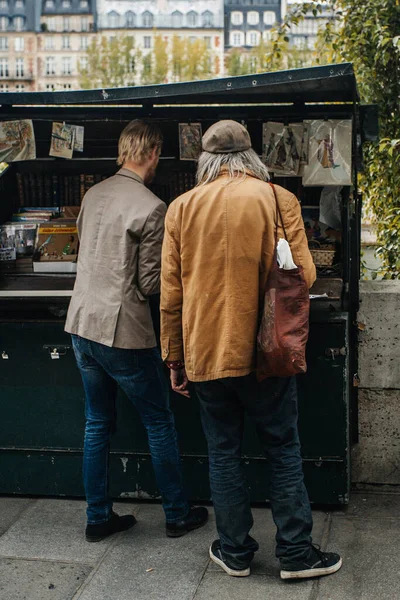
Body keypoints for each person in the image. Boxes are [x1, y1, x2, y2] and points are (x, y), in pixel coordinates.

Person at [160, 120, 342, 580]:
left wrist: (173, 357)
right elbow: (305, 275)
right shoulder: (278, 199)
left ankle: (236, 552)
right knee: (282, 448)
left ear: (207, 161)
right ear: (251, 158)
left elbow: (171, 296)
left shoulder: (180, 208)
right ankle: (297, 554)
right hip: (268, 352)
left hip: (205, 353)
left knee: (222, 452)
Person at [65, 120, 208, 543]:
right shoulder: (152, 206)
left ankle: (97, 518)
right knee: (159, 421)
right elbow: (149, 285)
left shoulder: (93, 194)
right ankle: (178, 514)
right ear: (153, 153)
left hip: (80, 325)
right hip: (121, 331)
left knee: (96, 423)